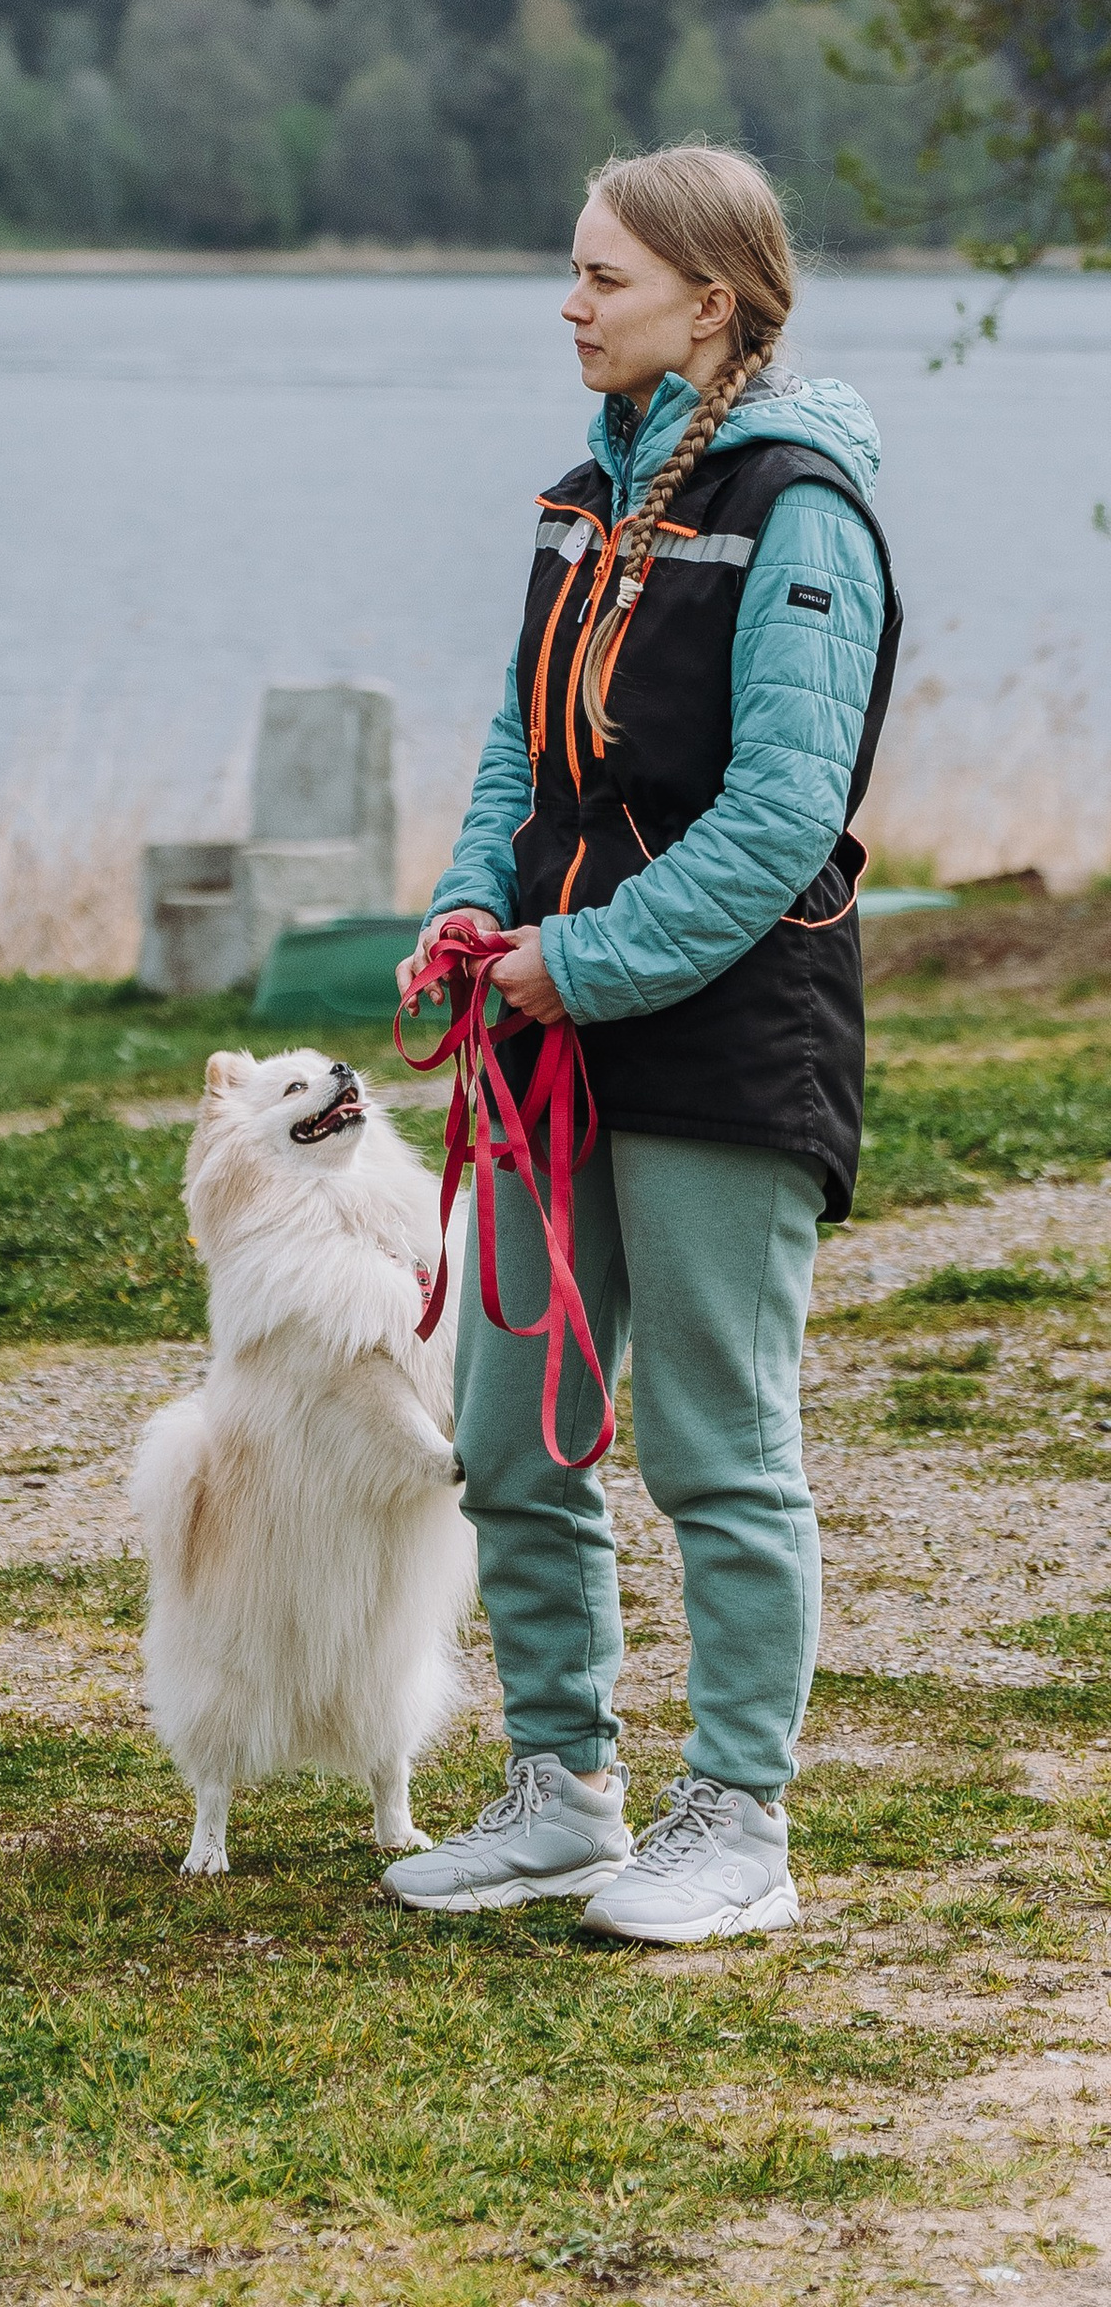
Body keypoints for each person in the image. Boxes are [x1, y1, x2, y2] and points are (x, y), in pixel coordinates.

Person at [387, 143, 898, 1947]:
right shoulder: (577, 503)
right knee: (514, 1429)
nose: (570, 299)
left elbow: (779, 819)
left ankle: (740, 1822)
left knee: (715, 1440)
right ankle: (561, 1792)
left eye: (603, 275)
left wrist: (578, 964)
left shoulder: (803, 507)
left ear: (713, 300)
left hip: (723, 1039)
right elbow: (521, 755)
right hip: (551, 1020)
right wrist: (471, 916)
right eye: (573, 266)